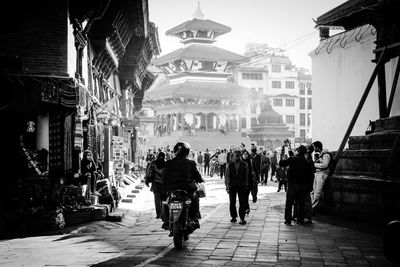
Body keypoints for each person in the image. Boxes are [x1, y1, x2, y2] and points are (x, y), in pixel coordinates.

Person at [164, 142, 204, 229]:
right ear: (187, 152)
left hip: (172, 189)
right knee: (195, 199)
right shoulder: (191, 163)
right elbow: (198, 176)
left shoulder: (168, 163)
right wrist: (201, 180)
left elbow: (164, 177)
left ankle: (166, 220)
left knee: (165, 201)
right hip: (187, 190)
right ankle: (194, 219)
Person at [279, 145, 314, 225]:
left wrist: (282, 155)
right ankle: (300, 220)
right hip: (302, 185)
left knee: (289, 203)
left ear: (298, 151)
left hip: (292, 184)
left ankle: (288, 220)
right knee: (301, 203)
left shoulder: (292, 159)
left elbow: (281, 163)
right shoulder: (306, 162)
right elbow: (309, 175)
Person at [225, 150, 249, 225]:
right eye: (235, 155)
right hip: (232, 186)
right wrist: (227, 186)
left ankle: (242, 218)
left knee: (242, 202)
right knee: (232, 202)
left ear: (240, 156)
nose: (236, 156)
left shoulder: (245, 164)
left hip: (241, 186)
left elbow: (246, 176)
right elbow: (227, 176)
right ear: (233, 156)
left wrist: (246, 185)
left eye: (238, 155)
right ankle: (233, 216)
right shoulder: (229, 165)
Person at [145, 152, 166, 221]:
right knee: (164, 200)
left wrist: (147, 181)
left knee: (157, 200)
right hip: (164, 185)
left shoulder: (153, 163)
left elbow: (148, 172)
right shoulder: (166, 164)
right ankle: (163, 214)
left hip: (155, 184)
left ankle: (159, 214)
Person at [311, 141, 332, 214]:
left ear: (317, 147)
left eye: (314, 147)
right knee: (313, 192)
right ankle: (311, 207)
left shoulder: (326, 155)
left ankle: (311, 208)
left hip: (322, 174)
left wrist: (315, 165)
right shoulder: (321, 154)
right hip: (318, 173)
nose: (313, 149)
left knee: (317, 193)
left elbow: (325, 165)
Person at [241, 150, 257, 216]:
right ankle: (246, 208)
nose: (245, 155)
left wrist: (257, 179)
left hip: (249, 181)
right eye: (244, 154)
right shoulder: (240, 162)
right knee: (243, 196)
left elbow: (255, 170)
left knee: (246, 196)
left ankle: (246, 208)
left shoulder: (250, 161)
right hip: (242, 182)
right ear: (242, 155)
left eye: (247, 154)